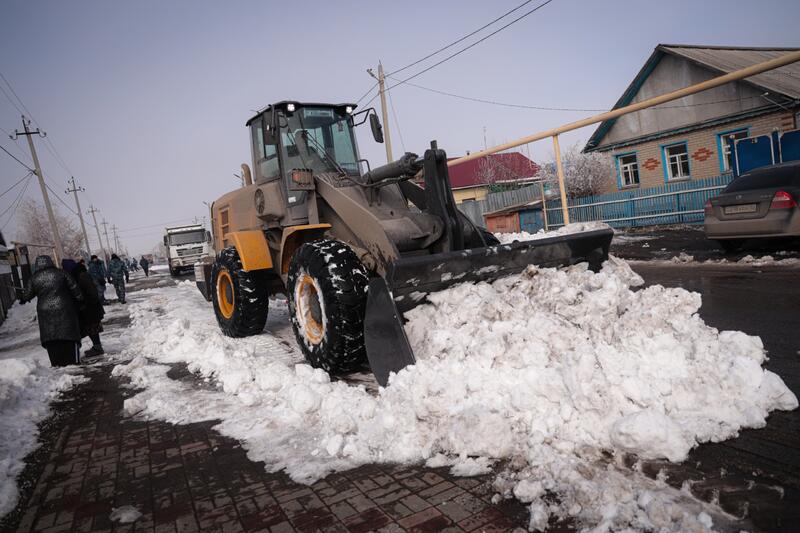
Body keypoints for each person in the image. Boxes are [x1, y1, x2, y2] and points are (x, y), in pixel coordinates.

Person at [20, 255, 84, 367]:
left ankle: (56, 363)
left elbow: (27, 294)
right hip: (65, 309)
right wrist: (80, 300)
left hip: (45, 313)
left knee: (51, 338)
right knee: (69, 335)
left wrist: (23, 299)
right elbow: (75, 288)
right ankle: (74, 361)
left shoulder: (34, 278)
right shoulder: (62, 273)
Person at [63, 259, 105, 356]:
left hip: (90, 307)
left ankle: (97, 348)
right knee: (90, 328)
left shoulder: (81, 275)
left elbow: (92, 292)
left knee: (92, 327)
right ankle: (96, 347)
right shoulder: (77, 274)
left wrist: (86, 303)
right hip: (87, 307)